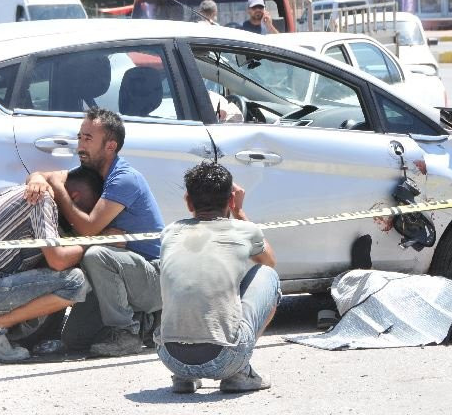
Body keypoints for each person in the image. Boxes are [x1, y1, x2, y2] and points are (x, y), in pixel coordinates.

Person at [25, 107, 164, 357]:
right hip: (118, 272)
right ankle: (147, 322)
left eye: (88, 139)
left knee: (95, 255)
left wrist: (58, 188)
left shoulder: (123, 179)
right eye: (80, 137)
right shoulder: (92, 173)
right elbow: (49, 176)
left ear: (110, 146)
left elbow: (87, 227)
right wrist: (36, 178)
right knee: (74, 339)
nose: (80, 145)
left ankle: (128, 332)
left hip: (154, 276)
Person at [0, 167, 103, 361]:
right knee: (76, 282)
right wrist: (94, 242)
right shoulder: (42, 200)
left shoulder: (20, 190)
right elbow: (58, 260)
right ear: (75, 199)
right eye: (84, 213)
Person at [155, 161, 280, 393]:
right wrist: (239, 212)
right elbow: (269, 262)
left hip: (170, 357)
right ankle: (240, 372)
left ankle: (183, 376)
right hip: (224, 358)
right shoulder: (243, 229)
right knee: (267, 276)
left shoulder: (170, 232)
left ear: (188, 202)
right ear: (231, 200)